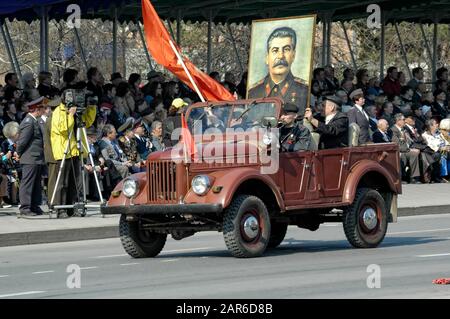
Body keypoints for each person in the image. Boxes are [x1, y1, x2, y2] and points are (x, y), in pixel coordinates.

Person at [50, 91, 97, 218]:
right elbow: (64, 129)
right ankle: (61, 209)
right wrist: (70, 114)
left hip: (75, 149)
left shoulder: (74, 111)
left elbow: (87, 122)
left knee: (76, 182)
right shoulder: (58, 112)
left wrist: (91, 108)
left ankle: (74, 207)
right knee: (63, 183)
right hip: (63, 151)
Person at [248, 27, 308, 118]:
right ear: (267, 57)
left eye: (286, 49)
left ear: (293, 55)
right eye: (275, 50)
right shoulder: (253, 92)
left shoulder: (304, 89)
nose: (280, 56)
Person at [16, 97, 46, 216]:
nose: (43, 110)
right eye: (41, 108)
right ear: (36, 109)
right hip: (30, 158)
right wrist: (18, 153)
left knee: (37, 183)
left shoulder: (35, 121)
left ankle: (34, 205)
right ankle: (25, 208)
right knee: (27, 183)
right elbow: (22, 141)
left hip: (37, 157)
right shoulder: (28, 122)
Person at [391, 113, 421, 184]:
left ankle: (413, 177)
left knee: (415, 153)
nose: (405, 121)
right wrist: (409, 149)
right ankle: (407, 177)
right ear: (398, 121)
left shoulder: (404, 129)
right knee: (411, 154)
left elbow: (410, 141)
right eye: (403, 119)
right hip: (400, 150)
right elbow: (397, 144)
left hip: (407, 149)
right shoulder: (393, 130)